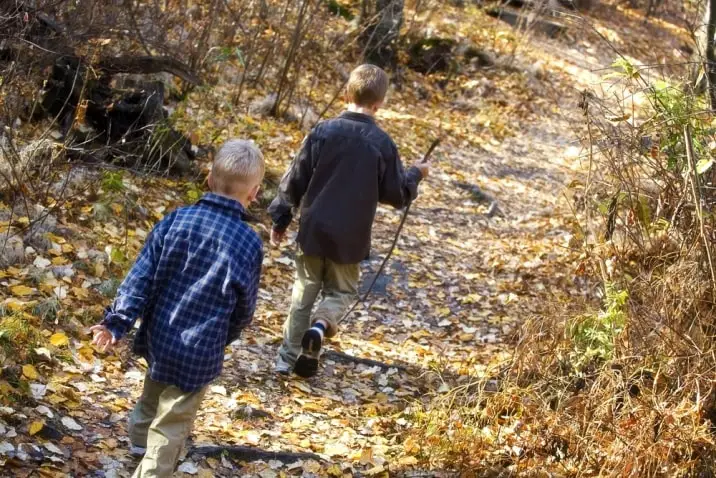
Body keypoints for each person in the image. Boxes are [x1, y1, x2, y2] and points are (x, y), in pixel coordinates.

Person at [89, 139, 265, 477]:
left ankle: (138, 445)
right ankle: (151, 469)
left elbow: (140, 277)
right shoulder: (249, 242)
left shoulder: (176, 220)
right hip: (201, 348)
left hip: (160, 335)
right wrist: (225, 336)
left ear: (210, 179)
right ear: (254, 193)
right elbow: (245, 308)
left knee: (152, 393)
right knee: (172, 421)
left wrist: (116, 323)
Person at [268, 64, 430, 378]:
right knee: (340, 293)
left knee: (303, 294)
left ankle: (286, 360)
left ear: (346, 94)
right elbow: (396, 194)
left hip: (313, 230)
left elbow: (295, 177)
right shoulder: (382, 143)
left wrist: (280, 217)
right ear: (380, 103)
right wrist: (415, 175)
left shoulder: (323, 131)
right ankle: (320, 327)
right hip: (350, 237)